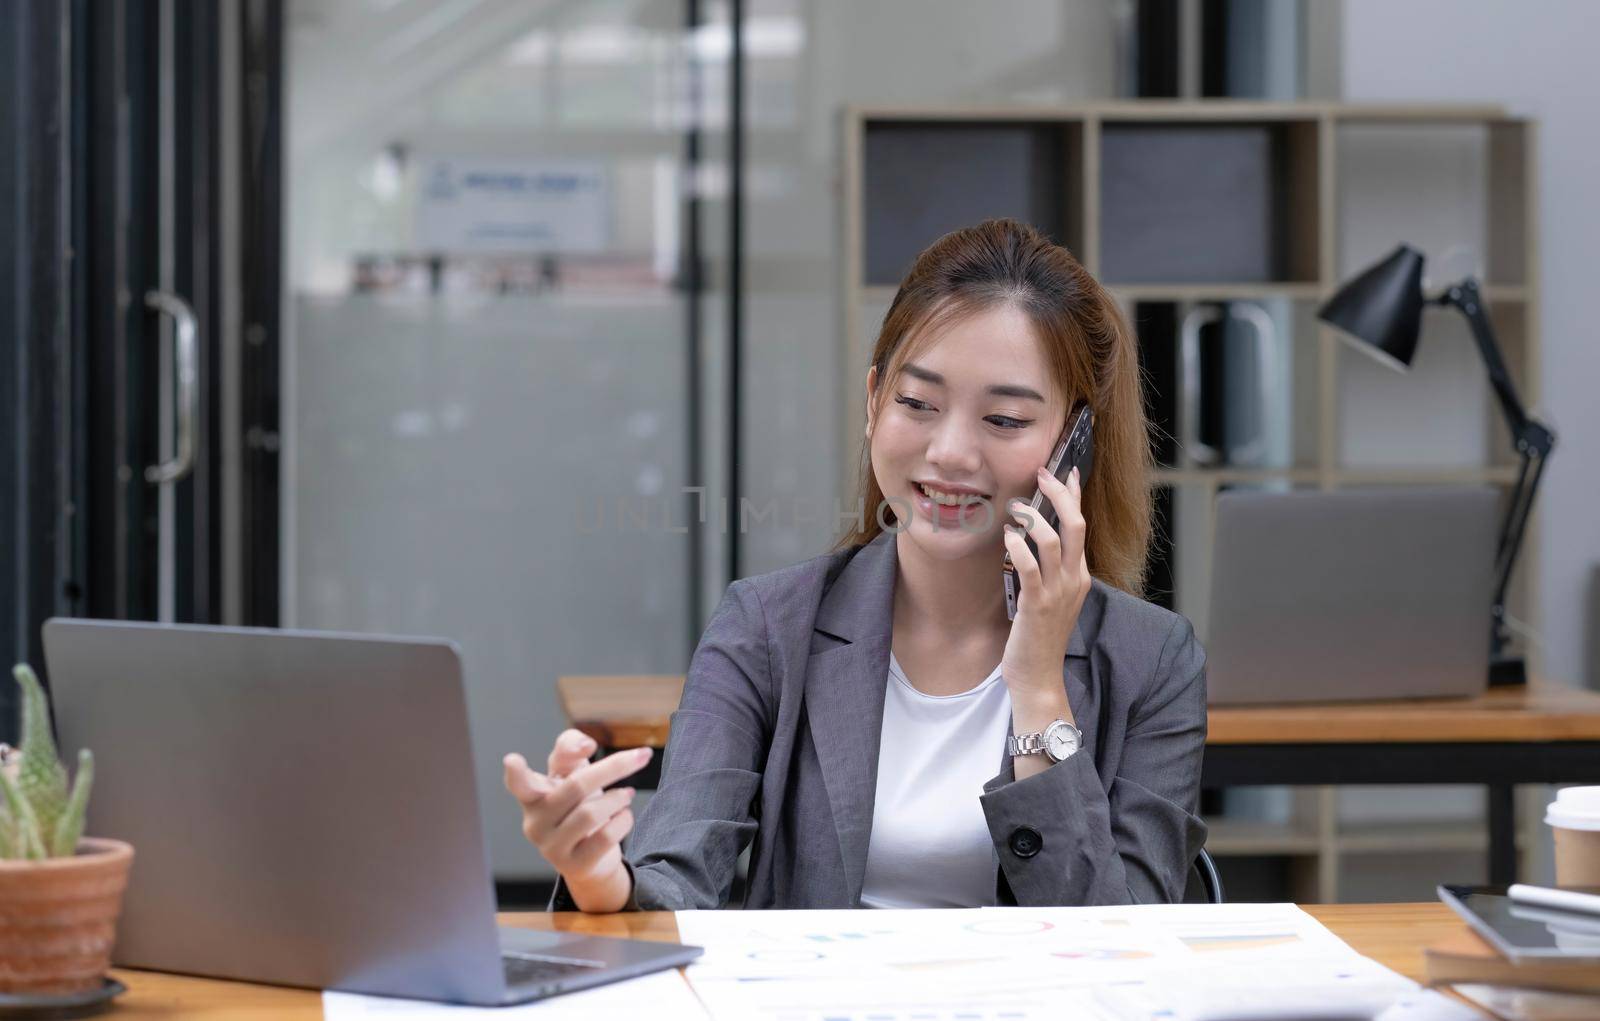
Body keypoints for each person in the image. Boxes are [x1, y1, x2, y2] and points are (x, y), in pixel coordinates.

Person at [503, 218, 1207, 911]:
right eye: (917, 403)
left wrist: (1038, 688)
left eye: (1004, 420)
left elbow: (1124, 946)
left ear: (1074, 445)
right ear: (874, 403)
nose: (951, 451)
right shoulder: (769, 627)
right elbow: (677, 875)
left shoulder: (1151, 660)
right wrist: (601, 876)